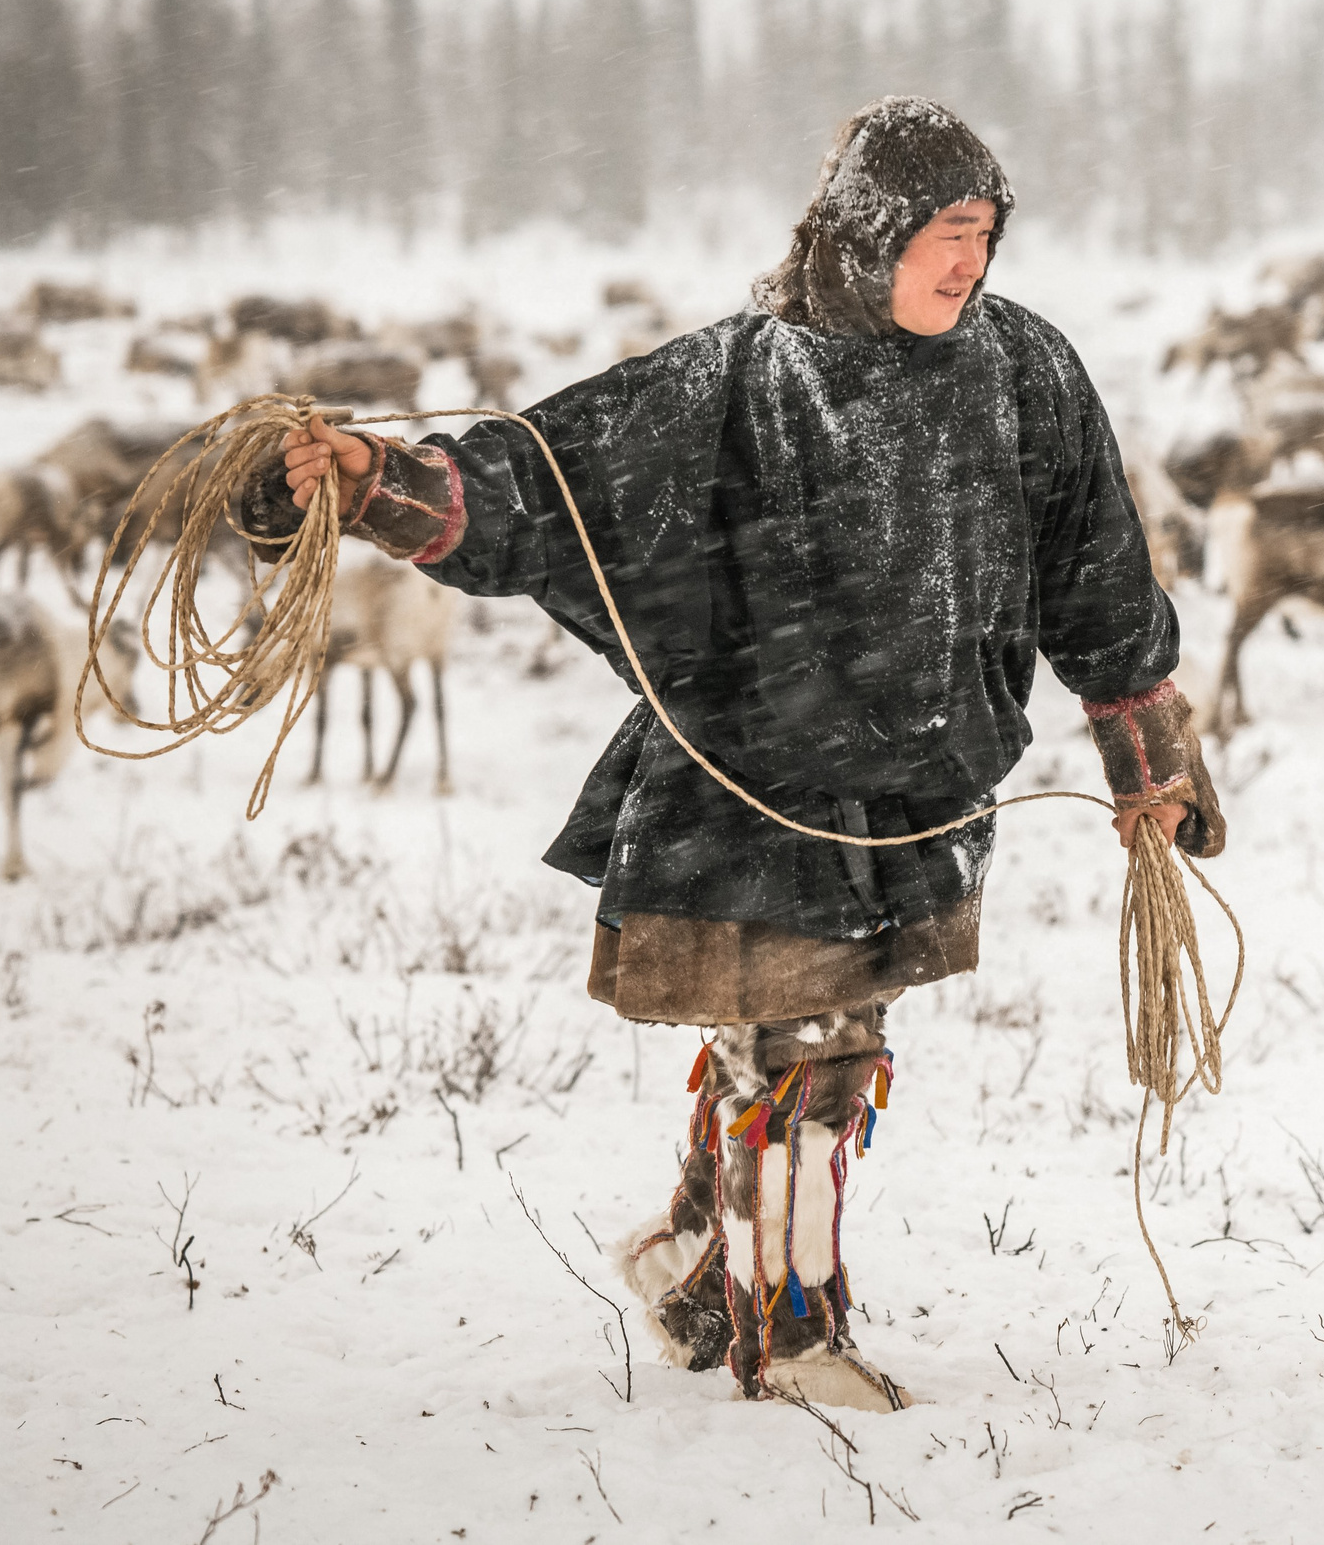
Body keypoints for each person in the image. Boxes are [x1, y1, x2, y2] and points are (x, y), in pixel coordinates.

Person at [256, 96, 1223, 1412]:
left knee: (828, 1036)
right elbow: (547, 480)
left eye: (985, 233)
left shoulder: (1027, 370)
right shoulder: (740, 378)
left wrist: (1150, 765)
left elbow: (1098, 571)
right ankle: (792, 1329)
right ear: (875, 233)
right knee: (812, 1046)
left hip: (922, 789)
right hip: (752, 772)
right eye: (947, 232)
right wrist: (376, 479)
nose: (970, 261)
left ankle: (702, 1257)